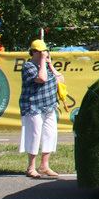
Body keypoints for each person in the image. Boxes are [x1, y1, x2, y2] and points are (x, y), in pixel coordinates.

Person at [19, 39, 64, 178]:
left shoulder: (47, 66)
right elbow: (42, 79)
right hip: (33, 106)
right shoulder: (28, 66)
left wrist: (50, 65)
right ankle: (31, 167)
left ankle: (45, 165)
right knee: (34, 134)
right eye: (40, 52)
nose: (43, 54)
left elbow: (61, 80)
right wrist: (43, 63)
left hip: (49, 105)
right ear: (33, 52)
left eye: (45, 51)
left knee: (50, 133)